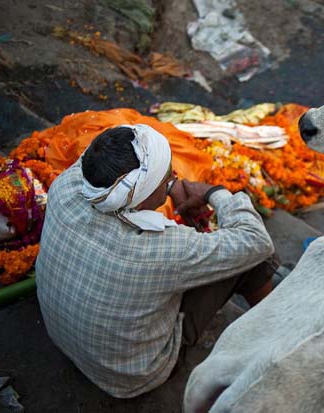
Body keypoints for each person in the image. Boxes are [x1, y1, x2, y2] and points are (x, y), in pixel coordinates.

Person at [36, 124, 276, 398]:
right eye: (167, 174)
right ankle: (279, 332)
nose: (173, 176)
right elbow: (257, 240)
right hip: (132, 375)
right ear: (145, 190)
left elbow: (104, 166)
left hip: (64, 339)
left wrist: (169, 186)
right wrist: (213, 192)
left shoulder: (66, 186)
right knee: (254, 260)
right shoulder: (163, 247)